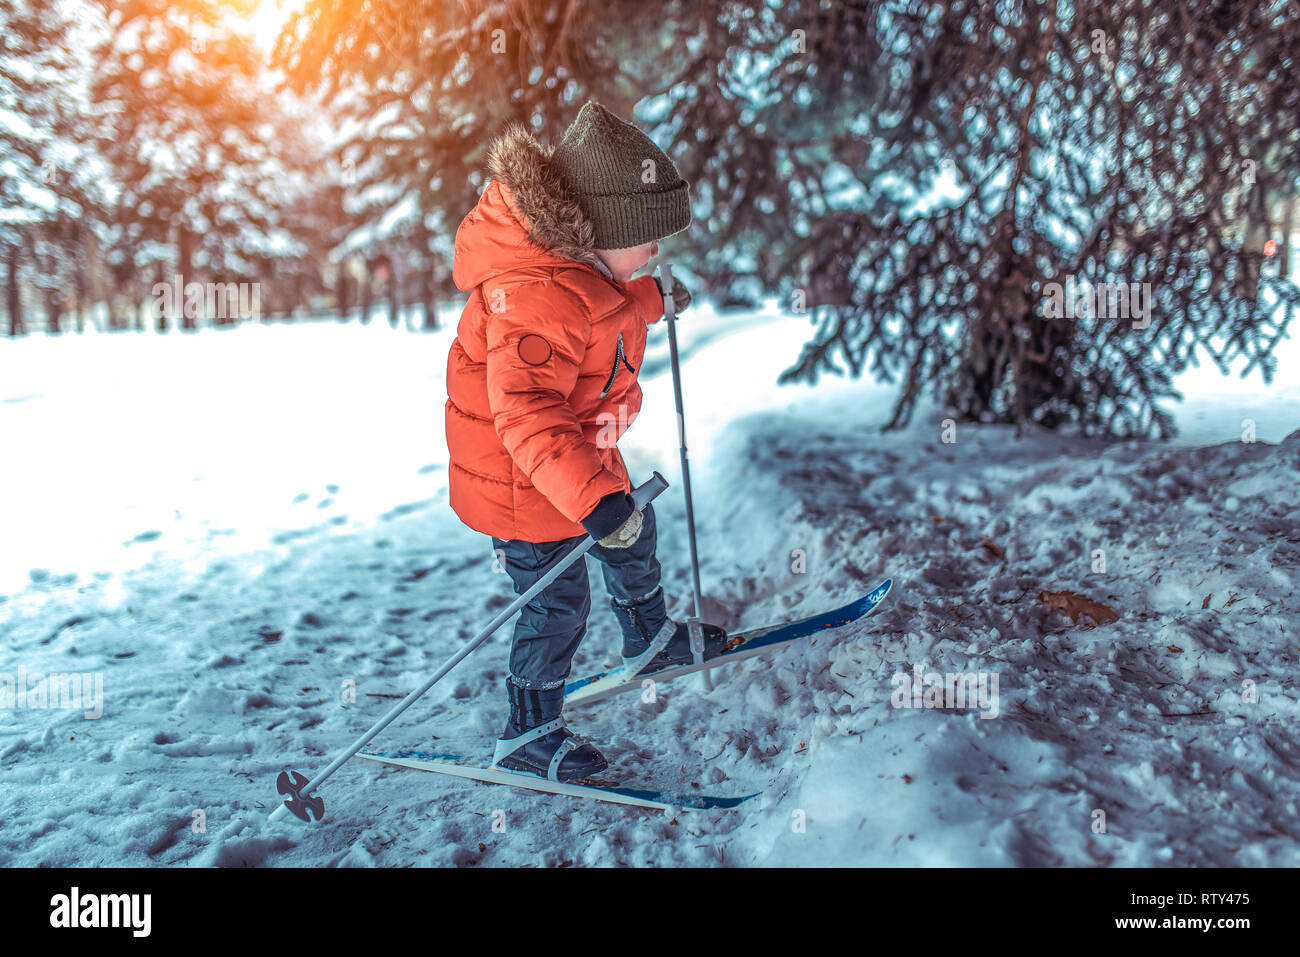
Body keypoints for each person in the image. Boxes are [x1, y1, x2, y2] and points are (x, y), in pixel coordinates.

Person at [445, 100, 728, 782]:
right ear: (601, 230)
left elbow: (611, 302)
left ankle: (648, 639)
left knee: (635, 526)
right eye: (649, 236)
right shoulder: (533, 294)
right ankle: (528, 733)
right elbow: (526, 412)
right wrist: (593, 498)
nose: (658, 250)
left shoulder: (584, 271)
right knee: (556, 601)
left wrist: (659, 297)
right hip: (525, 480)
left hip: (578, 454)